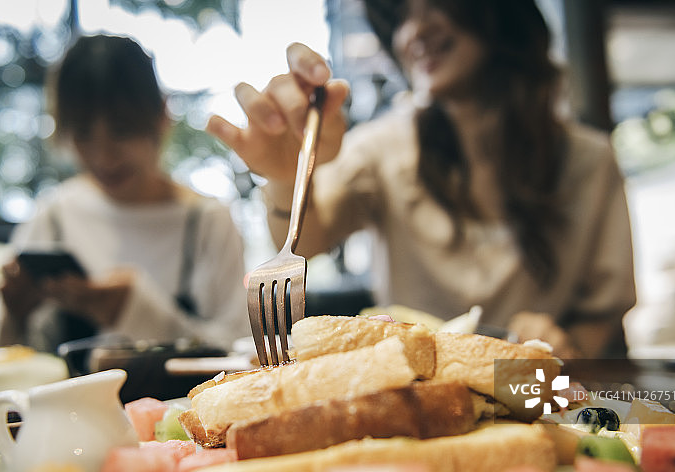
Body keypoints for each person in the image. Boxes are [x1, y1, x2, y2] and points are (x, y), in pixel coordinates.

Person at [205, 0, 637, 359]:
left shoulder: (589, 160)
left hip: (536, 393)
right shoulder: (381, 148)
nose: (413, 32)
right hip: (419, 391)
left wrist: (565, 346)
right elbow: (308, 238)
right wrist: (286, 176)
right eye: (401, 17)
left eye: (436, 5)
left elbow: (603, 316)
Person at [0, 34, 250, 355]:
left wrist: (132, 309)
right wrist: (14, 313)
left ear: (161, 116)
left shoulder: (205, 221)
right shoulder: (53, 217)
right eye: (82, 134)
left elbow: (240, 352)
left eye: (122, 130)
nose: (103, 156)